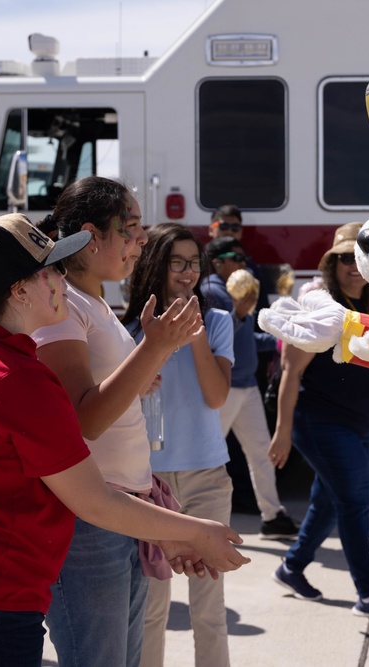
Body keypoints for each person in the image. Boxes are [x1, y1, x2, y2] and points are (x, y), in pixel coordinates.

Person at [0, 213, 249, 666]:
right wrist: (197, 531)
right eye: (50, 270)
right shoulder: (16, 378)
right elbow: (94, 501)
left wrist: (171, 532)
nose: (63, 279)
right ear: (19, 291)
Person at [29, 176, 176, 666]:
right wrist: (153, 349)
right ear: (92, 236)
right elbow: (84, 418)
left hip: (119, 513)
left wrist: (139, 373)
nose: (142, 240)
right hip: (91, 522)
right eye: (130, 227)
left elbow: (101, 397)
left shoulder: (92, 302)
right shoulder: (64, 302)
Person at [268, 223, 369, 621]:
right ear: (332, 264)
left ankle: (291, 568)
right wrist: (282, 432)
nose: (353, 266)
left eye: (359, 258)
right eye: (344, 259)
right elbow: (290, 371)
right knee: (354, 502)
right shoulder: (321, 307)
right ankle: (368, 593)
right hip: (320, 421)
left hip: (359, 419)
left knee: (328, 501)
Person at [124, 223, 236, 667]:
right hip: (147, 481)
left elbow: (216, 396)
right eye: (177, 262)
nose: (188, 272)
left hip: (207, 475)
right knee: (152, 607)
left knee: (208, 606)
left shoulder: (218, 322)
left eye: (194, 262)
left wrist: (197, 336)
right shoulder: (132, 327)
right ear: (156, 266)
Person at [202, 235, 298, 539]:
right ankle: (194, 519)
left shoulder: (235, 292)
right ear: (218, 261)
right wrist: (240, 314)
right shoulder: (211, 291)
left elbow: (246, 340)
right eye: (237, 258)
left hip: (246, 387)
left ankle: (272, 515)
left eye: (244, 259)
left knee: (260, 451)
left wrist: (279, 341)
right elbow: (210, 338)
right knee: (209, 454)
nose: (244, 264)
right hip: (225, 388)